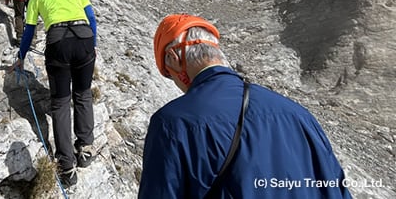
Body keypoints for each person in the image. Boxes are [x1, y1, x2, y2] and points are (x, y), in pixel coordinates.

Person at [138, 14, 351, 199]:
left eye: (168, 74)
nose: (174, 81)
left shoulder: (172, 122)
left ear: (173, 59)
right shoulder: (300, 115)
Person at [9, 0, 98, 187]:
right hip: (84, 38)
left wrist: (21, 56)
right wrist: (91, 45)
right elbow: (92, 19)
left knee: (60, 103)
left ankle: (67, 167)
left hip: (58, 42)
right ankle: (85, 149)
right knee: (83, 94)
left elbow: (29, 30)